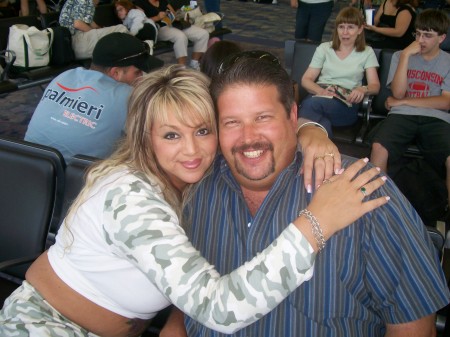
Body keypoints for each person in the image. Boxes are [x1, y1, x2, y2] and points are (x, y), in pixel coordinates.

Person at [0, 65, 388, 337]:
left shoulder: (192, 171)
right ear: (145, 137)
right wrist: (316, 222)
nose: (192, 151)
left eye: (203, 130)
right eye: (170, 135)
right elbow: (218, 308)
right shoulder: (130, 197)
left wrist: (310, 130)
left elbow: (258, 127)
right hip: (45, 325)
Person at [163, 50, 450, 337]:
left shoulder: (363, 190)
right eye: (232, 122)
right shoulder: (197, 189)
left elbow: (413, 328)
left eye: (262, 117)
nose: (248, 137)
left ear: (292, 117)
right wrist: (176, 326)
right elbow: (191, 285)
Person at [24, 33, 164, 163]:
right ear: (116, 72)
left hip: (24, 163)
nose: (141, 78)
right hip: (77, 183)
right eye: (138, 72)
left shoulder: (65, 76)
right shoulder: (127, 95)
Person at [370, 9, 450, 210]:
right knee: (379, 147)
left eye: (428, 36)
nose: (420, 40)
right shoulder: (401, 55)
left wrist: (406, 102)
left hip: (436, 119)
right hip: (402, 116)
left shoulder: (448, 61)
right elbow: (397, 93)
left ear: (442, 38)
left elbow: (445, 103)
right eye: (418, 34)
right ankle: (377, 205)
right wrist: (405, 55)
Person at [299, 7, 380, 136]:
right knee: (321, 123)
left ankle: (299, 151)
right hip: (320, 95)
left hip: (346, 104)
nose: (345, 32)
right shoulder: (324, 48)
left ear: (360, 29)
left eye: (350, 27)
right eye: (341, 27)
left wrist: (363, 89)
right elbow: (306, 80)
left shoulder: (366, 52)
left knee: (309, 105)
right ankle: (321, 153)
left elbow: (375, 86)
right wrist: (321, 92)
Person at [133, 0, 209, 69]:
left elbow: (174, 14)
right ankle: (181, 68)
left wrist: (174, 16)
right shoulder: (140, 3)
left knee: (203, 34)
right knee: (180, 36)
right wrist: (157, 17)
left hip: (173, 24)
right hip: (157, 28)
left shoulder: (162, 1)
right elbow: (141, 22)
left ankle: (194, 63)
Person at [59, 0, 130, 60]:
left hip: (73, 46)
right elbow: (78, 24)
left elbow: (92, 24)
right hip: (77, 41)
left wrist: (101, 29)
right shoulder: (85, 1)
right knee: (121, 29)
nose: (98, 3)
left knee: (116, 38)